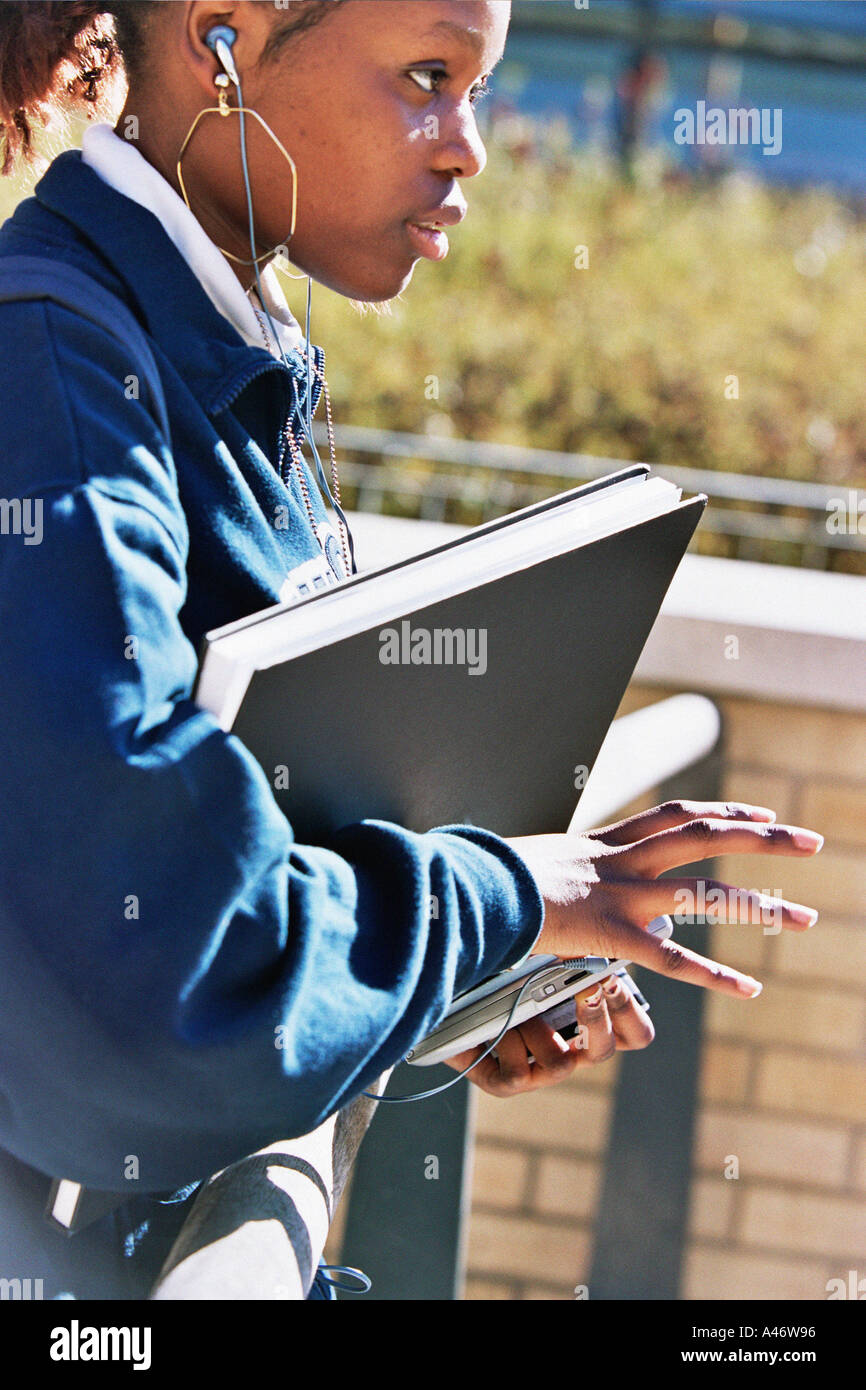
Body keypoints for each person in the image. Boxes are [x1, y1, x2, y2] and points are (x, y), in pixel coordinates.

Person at [0, 0, 822, 1301]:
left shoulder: (211, 349)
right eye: (427, 77)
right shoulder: (52, 379)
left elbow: (257, 851)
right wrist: (504, 898)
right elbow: (157, 977)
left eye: (478, 89)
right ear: (222, 41)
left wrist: (437, 998)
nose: (468, 149)